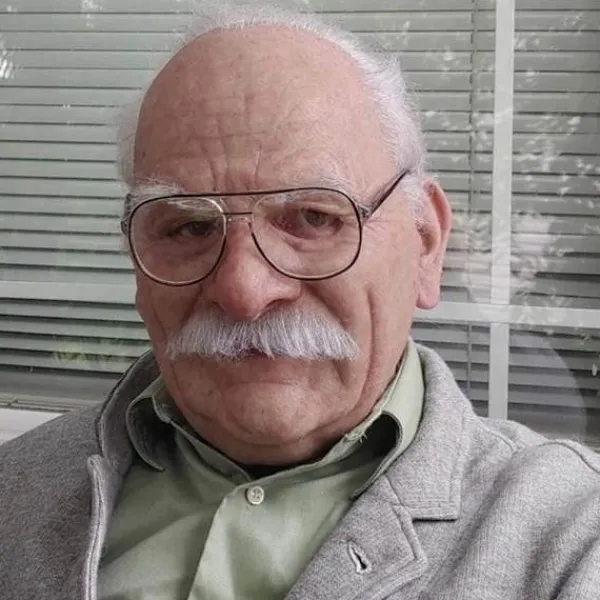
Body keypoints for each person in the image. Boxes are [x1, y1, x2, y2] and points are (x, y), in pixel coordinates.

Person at [2, 2, 600, 599]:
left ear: (425, 242)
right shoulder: (15, 492)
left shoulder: (569, 540)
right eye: (188, 226)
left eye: (313, 218)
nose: (244, 291)